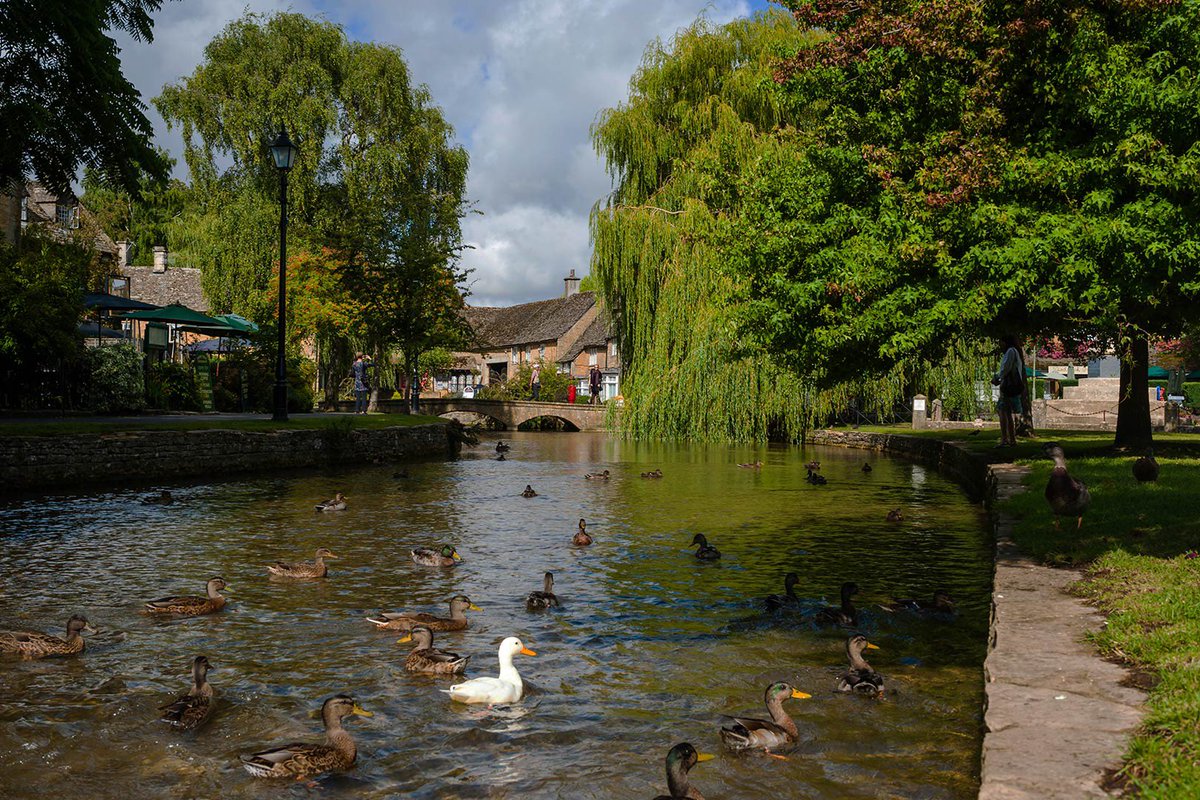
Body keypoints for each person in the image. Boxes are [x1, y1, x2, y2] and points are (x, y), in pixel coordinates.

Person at [993, 335, 1025, 448]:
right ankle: (1011, 439)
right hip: (1013, 386)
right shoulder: (1015, 351)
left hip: (1008, 386)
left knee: (1003, 412)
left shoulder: (1010, 351)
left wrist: (998, 377)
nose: (999, 344)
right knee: (1008, 412)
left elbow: (1006, 368)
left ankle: (1005, 439)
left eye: (1000, 341)